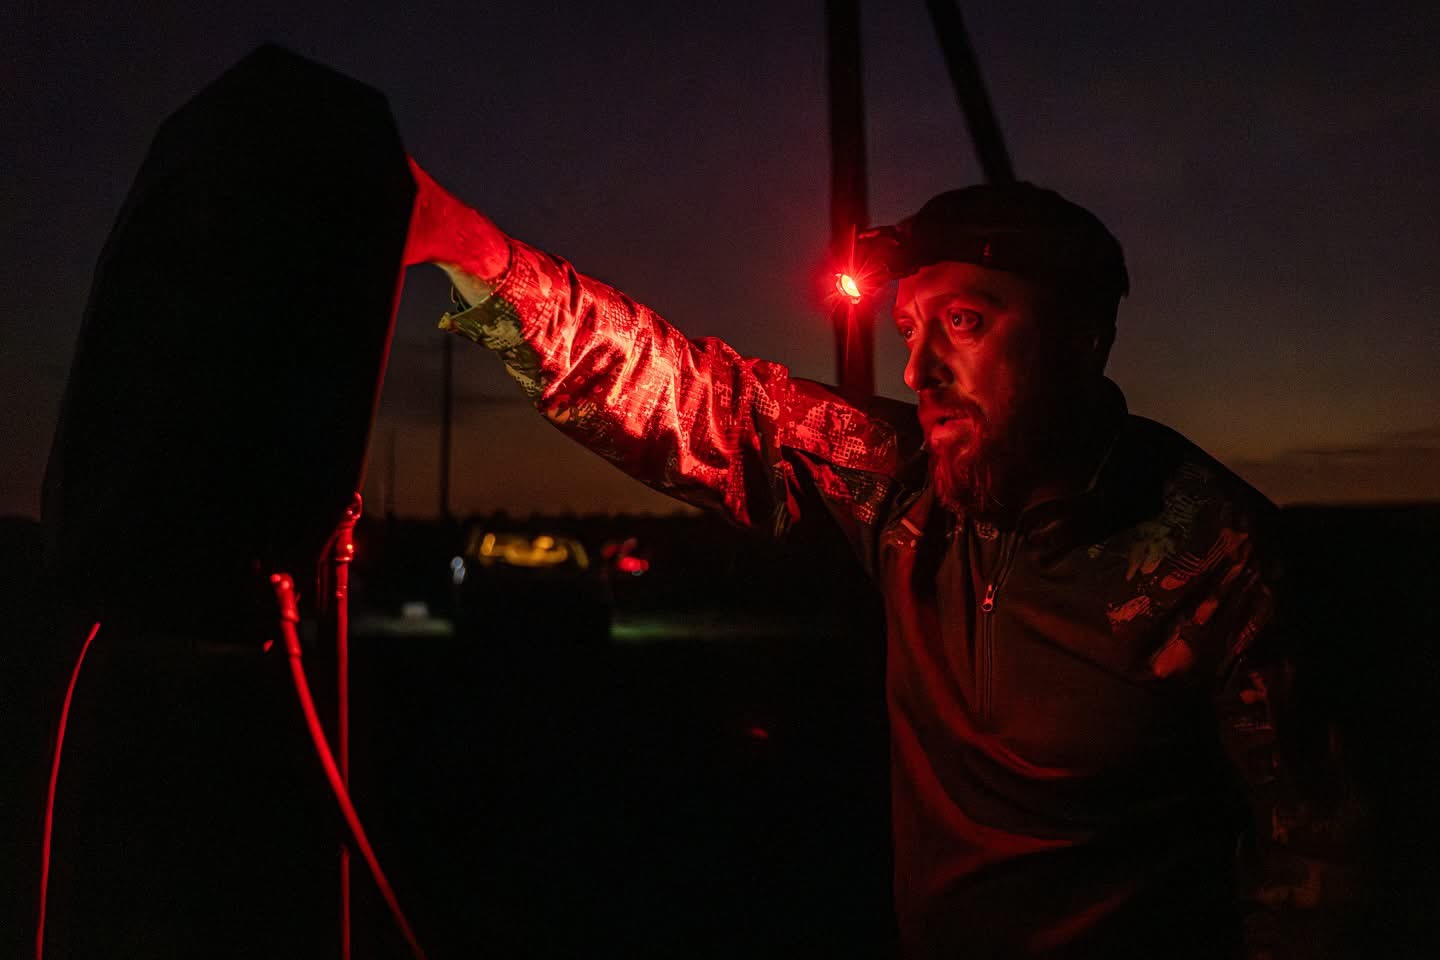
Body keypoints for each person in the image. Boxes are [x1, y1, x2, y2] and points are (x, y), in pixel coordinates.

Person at [402, 162, 1348, 958]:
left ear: (1082, 338)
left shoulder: (1219, 555)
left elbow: (1318, 867)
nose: (916, 371)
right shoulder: (899, 489)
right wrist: (474, 251)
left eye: (964, 322)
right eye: (909, 330)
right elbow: (695, 399)